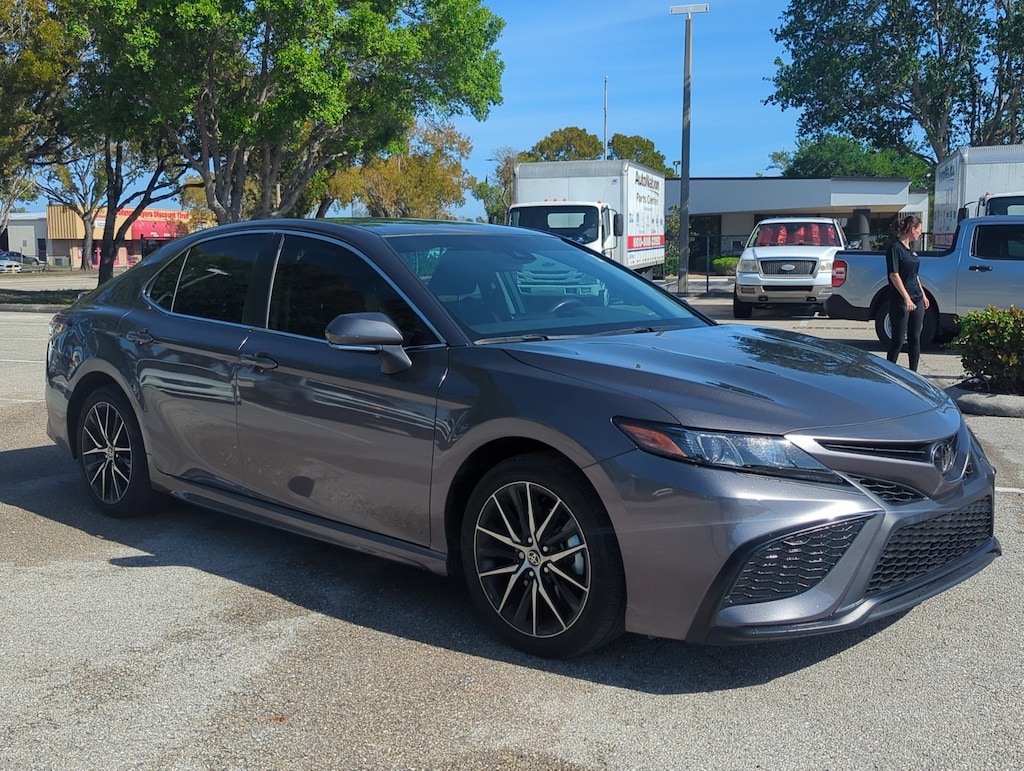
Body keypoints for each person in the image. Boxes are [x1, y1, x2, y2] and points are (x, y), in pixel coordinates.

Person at [885, 213, 929, 371]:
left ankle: (914, 373)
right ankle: (889, 371)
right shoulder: (895, 249)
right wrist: (906, 298)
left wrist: (922, 295)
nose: (920, 234)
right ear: (912, 229)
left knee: (915, 337)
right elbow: (894, 275)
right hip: (901, 300)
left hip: (916, 298)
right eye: (919, 230)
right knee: (897, 339)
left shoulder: (911, 250)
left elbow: (914, 275)